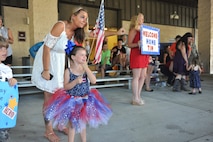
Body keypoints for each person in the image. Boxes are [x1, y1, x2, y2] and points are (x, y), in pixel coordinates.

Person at [31, 7, 125, 142]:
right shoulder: (60, 26)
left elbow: (96, 35)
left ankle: (61, 124)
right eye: (82, 17)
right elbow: (46, 47)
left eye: (86, 19)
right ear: (73, 16)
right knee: (49, 99)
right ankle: (49, 130)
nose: (85, 21)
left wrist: (116, 32)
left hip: (63, 65)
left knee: (63, 97)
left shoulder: (78, 33)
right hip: (49, 63)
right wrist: (46, 70)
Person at [43, 44, 112, 142]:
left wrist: (87, 68)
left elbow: (93, 80)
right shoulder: (68, 71)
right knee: (72, 125)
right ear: (73, 57)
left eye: (85, 55)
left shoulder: (85, 70)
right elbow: (66, 87)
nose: (85, 57)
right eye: (82, 55)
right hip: (72, 101)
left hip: (85, 100)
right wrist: (75, 82)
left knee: (82, 123)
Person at [128, 13, 149, 106]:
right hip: (137, 53)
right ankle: (135, 97)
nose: (142, 20)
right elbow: (129, 44)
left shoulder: (145, 31)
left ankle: (138, 95)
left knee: (143, 76)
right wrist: (137, 44)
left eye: (143, 19)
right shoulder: (133, 30)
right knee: (136, 76)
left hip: (144, 54)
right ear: (136, 19)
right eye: (140, 19)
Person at [0, 36, 17, 142]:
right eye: (0, 48)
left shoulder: (7, 69)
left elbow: (10, 87)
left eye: (5, 48)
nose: (4, 51)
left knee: (3, 135)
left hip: (3, 111)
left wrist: (13, 81)